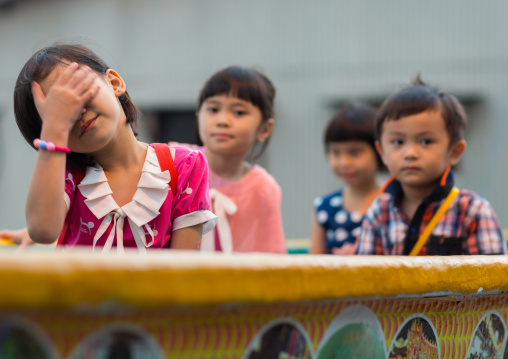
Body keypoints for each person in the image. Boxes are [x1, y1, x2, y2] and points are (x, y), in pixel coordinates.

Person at [13, 43, 216, 252]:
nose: (77, 111)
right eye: (58, 112)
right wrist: (54, 133)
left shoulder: (184, 165)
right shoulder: (66, 176)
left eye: (79, 89)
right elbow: (42, 231)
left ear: (115, 82)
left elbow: (184, 267)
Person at [356, 77, 507, 255]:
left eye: (426, 141)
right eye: (398, 142)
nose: (410, 153)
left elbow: (493, 280)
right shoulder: (379, 211)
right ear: (382, 153)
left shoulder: (473, 211)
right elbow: (365, 279)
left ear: (455, 151)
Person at [181, 66, 286, 253]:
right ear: (198, 116)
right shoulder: (176, 163)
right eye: (213, 109)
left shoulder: (264, 189)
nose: (223, 120)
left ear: (265, 129)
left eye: (238, 112)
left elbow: (271, 258)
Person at [310, 102, 382, 254]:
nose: (344, 163)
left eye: (355, 152)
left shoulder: (396, 203)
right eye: (335, 152)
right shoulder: (325, 207)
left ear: (380, 151)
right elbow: (313, 265)